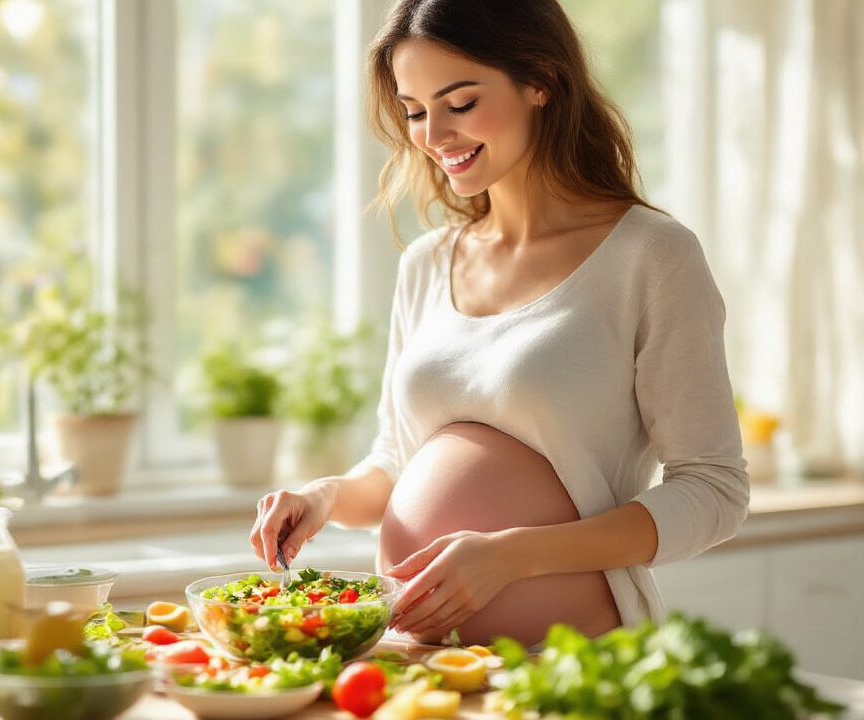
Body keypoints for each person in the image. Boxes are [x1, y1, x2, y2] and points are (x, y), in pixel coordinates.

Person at [249, 0, 748, 648]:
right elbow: (397, 462)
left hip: (572, 663)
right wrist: (323, 498)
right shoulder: (427, 263)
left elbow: (714, 492)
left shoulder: (651, 256)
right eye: (416, 111)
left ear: (541, 81)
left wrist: (512, 557)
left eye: (459, 103)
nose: (433, 135)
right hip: (416, 661)